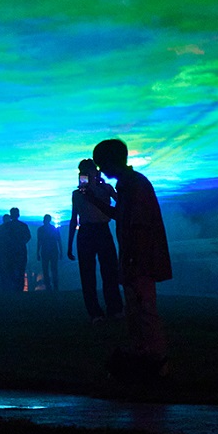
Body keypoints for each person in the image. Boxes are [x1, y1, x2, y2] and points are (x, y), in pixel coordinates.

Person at [93, 139, 171, 378]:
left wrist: (131, 260)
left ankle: (155, 360)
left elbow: (137, 225)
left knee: (143, 309)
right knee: (137, 311)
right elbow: (122, 216)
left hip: (139, 259)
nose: (99, 170)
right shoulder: (131, 184)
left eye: (101, 164)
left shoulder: (134, 185)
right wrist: (95, 200)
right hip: (136, 258)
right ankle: (146, 358)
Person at [69, 159, 124, 320]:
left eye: (87, 171)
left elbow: (120, 202)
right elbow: (74, 219)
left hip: (101, 230)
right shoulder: (77, 194)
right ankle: (95, 312)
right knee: (88, 274)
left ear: (95, 172)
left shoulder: (105, 188)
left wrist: (104, 187)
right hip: (87, 231)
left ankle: (114, 308)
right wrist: (70, 244)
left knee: (110, 271)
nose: (84, 174)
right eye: (82, 171)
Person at [0, 207, 32, 291]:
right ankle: (19, 289)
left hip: (10, 252)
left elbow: (2, 238)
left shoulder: (6, 226)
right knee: (20, 271)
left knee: (10, 271)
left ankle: (12, 290)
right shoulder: (23, 225)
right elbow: (28, 237)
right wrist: (20, 243)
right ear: (18, 215)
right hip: (20, 251)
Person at [36, 213, 62, 294]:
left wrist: (37, 252)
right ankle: (55, 286)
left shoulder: (41, 229)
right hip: (53, 251)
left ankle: (49, 287)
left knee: (46, 269)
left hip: (45, 251)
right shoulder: (54, 229)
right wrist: (61, 252)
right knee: (53, 269)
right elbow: (59, 241)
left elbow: (39, 242)